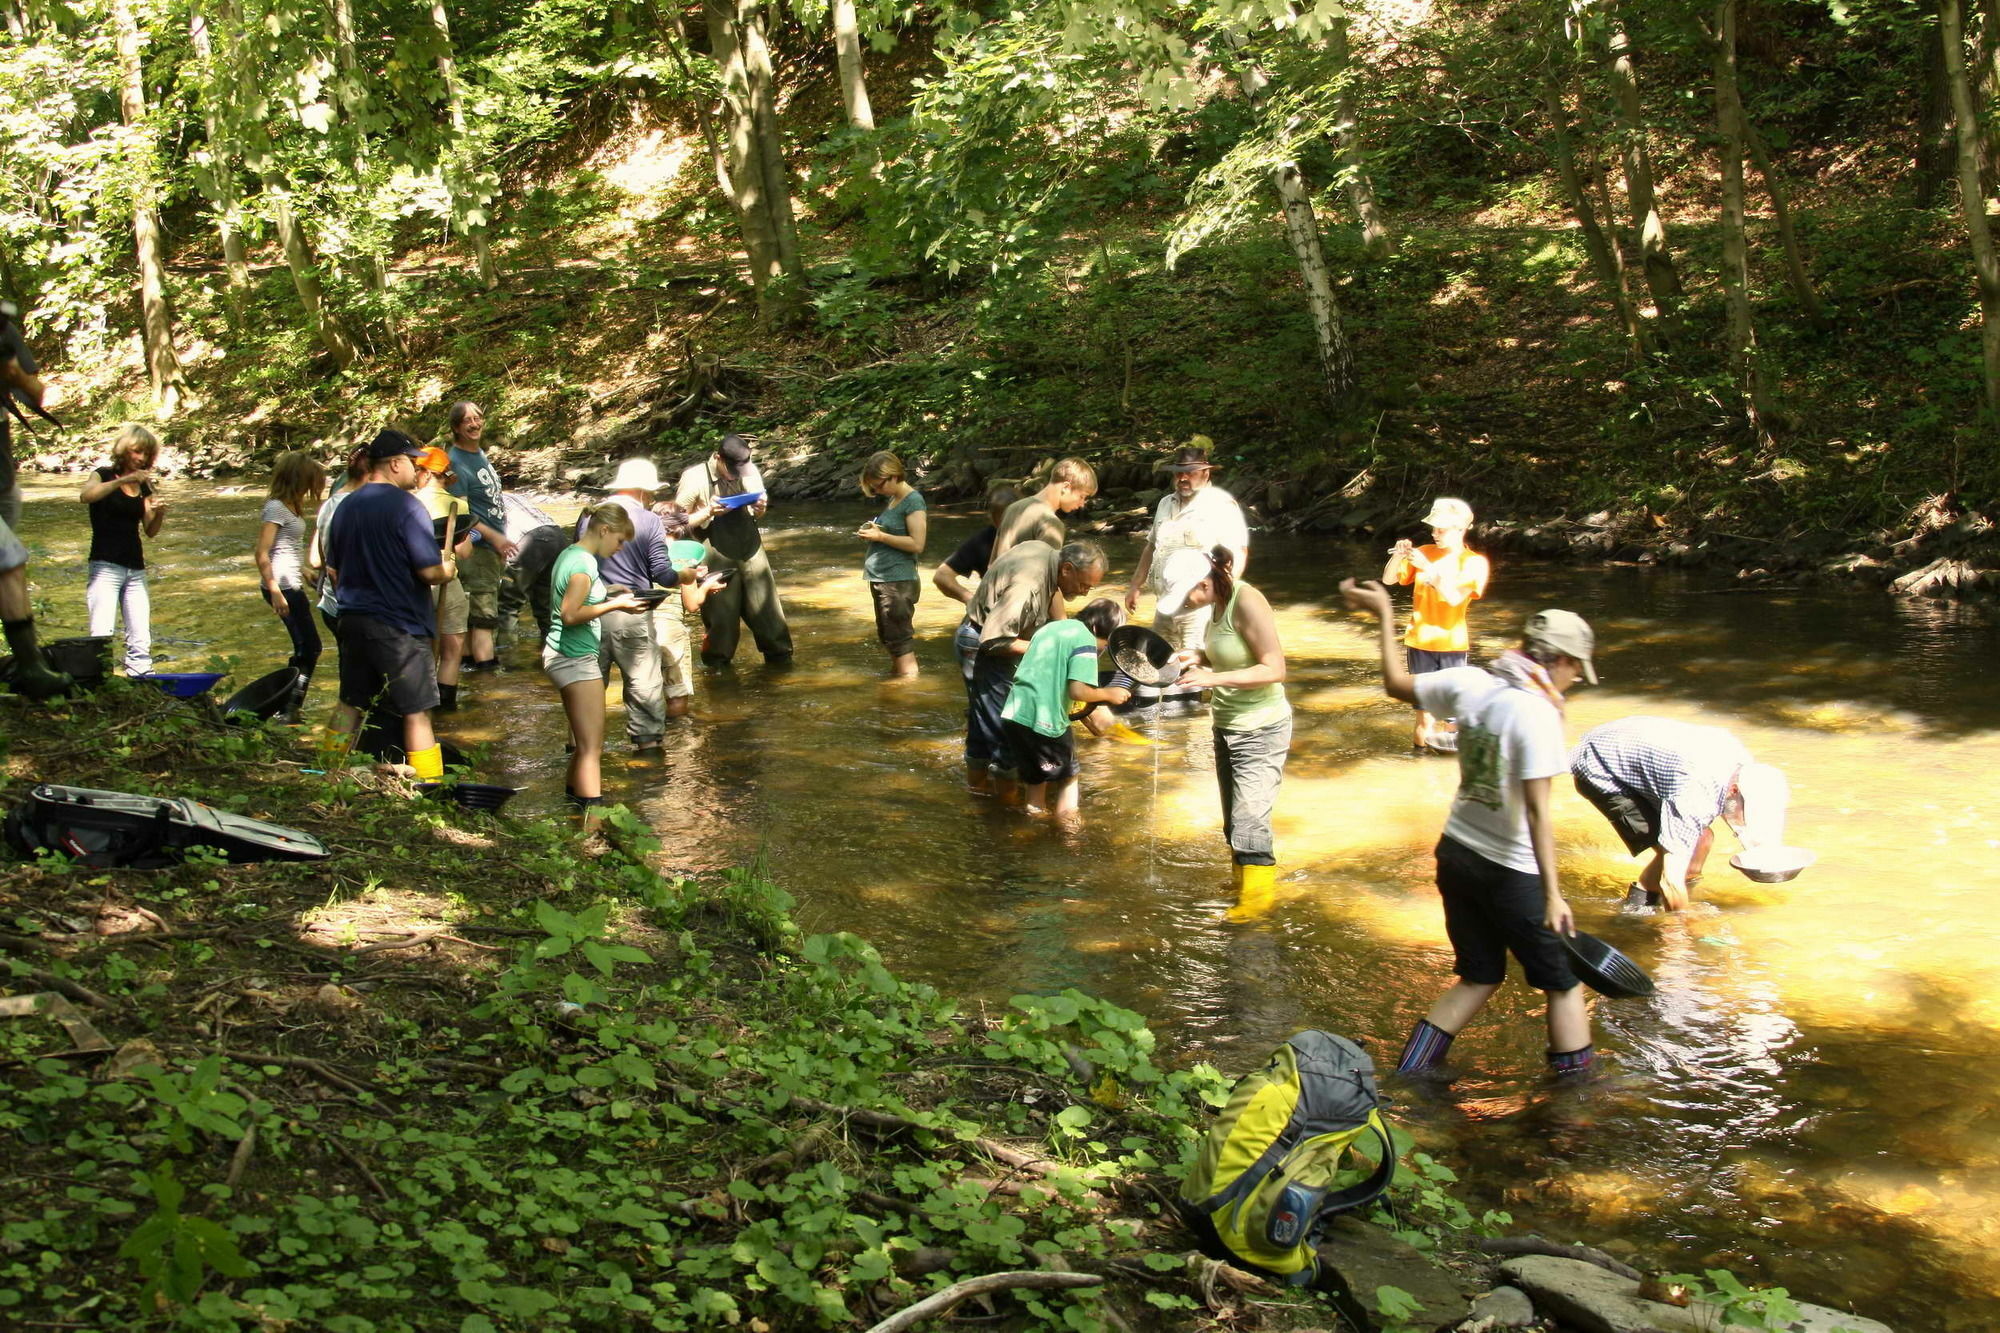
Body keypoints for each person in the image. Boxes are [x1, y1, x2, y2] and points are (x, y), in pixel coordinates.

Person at [1341, 577, 1600, 1079]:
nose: (1574, 682)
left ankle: (1410, 1077)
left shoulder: (1471, 682)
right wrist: (1553, 896)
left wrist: (1385, 617)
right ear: (1561, 662)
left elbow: (1397, 686)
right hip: (1511, 870)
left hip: (1456, 853)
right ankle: (1576, 1108)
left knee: (1479, 976)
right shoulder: (1538, 715)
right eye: (1576, 671)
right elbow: (1538, 813)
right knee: (1564, 983)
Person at [1153, 547, 1291, 921]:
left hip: (1261, 727)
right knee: (1234, 822)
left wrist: (1213, 678)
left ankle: (1256, 911)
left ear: (1203, 583)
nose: (1184, 605)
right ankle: (1243, 889)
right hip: (1227, 724)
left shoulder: (1246, 600)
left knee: (1250, 823)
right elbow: (1234, 652)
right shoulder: (1214, 605)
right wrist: (1199, 657)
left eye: (1186, 596)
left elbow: (1274, 668)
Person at [320, 429, 459, 782]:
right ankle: (430, 788)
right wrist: (448, 569)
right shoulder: (407, 506)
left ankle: (327, 772)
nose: (416, 470)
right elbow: (428, 571)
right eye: (413, 462)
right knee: (417, 711)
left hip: (351, 619)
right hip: (399, 626)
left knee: (350, 701)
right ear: (395, 464)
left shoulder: (345, 504)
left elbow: (332, 568)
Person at [1570, 717, 1793, 912]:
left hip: (1633, 742)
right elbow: (1671, 881)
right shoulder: (1695, 795)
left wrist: (1761, 851)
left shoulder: (1744, 768)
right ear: (1735, 790)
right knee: (1676, 855)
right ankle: (1636, 913)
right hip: (1599, 765)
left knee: (1700, 839)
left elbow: (1735, 810)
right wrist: (1684, 933)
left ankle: (1676, 900)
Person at [961, 538, 1108, 796]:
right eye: (1084, 585)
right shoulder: (1028, 584)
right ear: (1067, 569)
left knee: (982, 726)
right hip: (983, 646)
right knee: (1004, 732)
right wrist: (1052, 649)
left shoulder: (1046, 554)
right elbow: (993, 641)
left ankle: (978, 794)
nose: (1085, 593)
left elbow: (1052, 600)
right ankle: (1007, 810)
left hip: (982, 634)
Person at [545, 503, 646, 818]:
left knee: (581, 745)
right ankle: (593, 828)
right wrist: (616, 606)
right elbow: (571, 613)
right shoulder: (584, 565)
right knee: (591, 749)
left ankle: (573, 812)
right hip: (574, 659)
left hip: (561, 655)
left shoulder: (570, 554)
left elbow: (579, 595)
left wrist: (611, 592)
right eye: (619, 541)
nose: (619, 549)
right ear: (604, 530)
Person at [1000, 597, 1132, 817]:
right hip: (1045, 721)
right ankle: (1070, 836)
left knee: (1036, 779)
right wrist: (1109, 693)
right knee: (1068, 777)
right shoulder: (1086, 641)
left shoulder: (1051, 628)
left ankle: (1033, 828)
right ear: (1098, 628)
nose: (1104, 649)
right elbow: (1078, 691)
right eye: (1107, 643)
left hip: (1016, 713)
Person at [581, 458, 678, 750]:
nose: (652, 499)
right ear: (641, 492)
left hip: (591, 611)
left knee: (587, 687)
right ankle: (648, 759)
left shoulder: (590, 517)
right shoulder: (649, 521)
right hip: (632, 612)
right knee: (643, 687)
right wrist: (684, 575)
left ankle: (579, 751)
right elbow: (663, 574)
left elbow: (579, 562)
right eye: (651, 494)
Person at [675, 433, 793, 667]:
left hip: (750, 548)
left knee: (768, 612)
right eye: (731, 469)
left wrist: (760, 508)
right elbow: (676, 524)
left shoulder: (747, 468)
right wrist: (707, 512)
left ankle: (781, 663)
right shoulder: (695, 478)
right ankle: (718, 675)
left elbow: (759, 509)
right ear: (718, 458)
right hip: (713, 551)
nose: (737, 474)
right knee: (722, 620)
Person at [1382, 497, 1490, 754]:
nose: (1435, 533)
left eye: (1441, 529)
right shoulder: (1425, 552)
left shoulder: (1474, 562)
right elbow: (1388, 580)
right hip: (1419, 642)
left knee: (1453, 717)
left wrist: (1428, 568)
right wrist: (1398, 556)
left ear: (1460, 529)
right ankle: (1420, 762)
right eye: (1433, 528)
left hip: (1452, 645)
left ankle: (1451, 764)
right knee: (1424, 715)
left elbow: (1454, 598)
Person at [1124, 439, 1250, 655]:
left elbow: (1238, 552)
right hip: (1165, 601)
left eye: (1190, 473)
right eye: (1178, 473)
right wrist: (1135, 586)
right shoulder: (1165, 503)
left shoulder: (1220, 504)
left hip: (1200, 606)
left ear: (1206, 474)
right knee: (1160, 661)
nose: (1182, 478)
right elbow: (1151, 547)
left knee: (1195, 665)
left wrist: (1223, 596)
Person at [0, 309, 69, 700]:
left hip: (3, 470)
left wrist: (14, 375)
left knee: (6, 566)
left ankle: (28, 668)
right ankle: (31, 669)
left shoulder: (3, 330)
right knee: (9, 561)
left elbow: (36, 392)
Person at [78, 425, 168, 677]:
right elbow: (86, 496)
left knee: (140, 633)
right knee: (102, 632)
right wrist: (124, 480)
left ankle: (141, 678)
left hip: (135, 567)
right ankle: (100, 680)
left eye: (146, 455)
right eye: (137, 451)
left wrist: (159, 512)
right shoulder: (103, 475)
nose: (141, 459)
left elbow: (150, 530)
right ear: (124, 450)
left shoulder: (145, 487)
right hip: (105, 565)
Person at [442, 401, 515, 672]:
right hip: (478, 549)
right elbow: (463, 514)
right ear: (456, 428)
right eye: (467, 421)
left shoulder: (478, 454)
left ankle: (472, 681)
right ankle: (488, 685)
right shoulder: (457, 462)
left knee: (476, 619)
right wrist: (494, 537)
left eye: (478, 418)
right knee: (483, 617)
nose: (474, 424)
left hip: (490, 548)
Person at [253, 450, 328, 697]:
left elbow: (284, 548)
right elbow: (262, 553)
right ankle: (289, 706)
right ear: (298, 478)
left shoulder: (290, 506)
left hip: (289, 581)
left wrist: (303, 570)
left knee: (306, 646)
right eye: (310, 480)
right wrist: (274, 590)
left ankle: (288, 704)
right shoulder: (276, 508)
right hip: (281, 587)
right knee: (309, 647)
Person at [937, 485, 1019, 684]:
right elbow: (942, 576)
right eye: (1002, 520)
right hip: (991, 628)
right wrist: (969, 599)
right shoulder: (982, 541)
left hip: (1012, 629)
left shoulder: (1035, 537)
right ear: (992, 517)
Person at [857, 451, 928, 678]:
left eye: (878, 486)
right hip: (885, 579)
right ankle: (896, 680)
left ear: (894, 476)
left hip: (897, 581)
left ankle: (907, 693)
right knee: (891, 638)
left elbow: (917, 544)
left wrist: (880, 538)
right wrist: (874, 532)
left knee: (900, 640)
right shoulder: (894, 499)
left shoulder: (913, 501)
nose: (876, 491)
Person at [414, 447, 475, 710]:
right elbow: (464, 552)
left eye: (417, 470)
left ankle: (421, 705)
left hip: (417, 582)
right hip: (450, 582)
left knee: (423, 650)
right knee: (452, 650)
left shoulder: (410, 502)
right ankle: (446, 709)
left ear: (426, 473)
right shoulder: (457, 504)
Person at [495, 492, 567, 650]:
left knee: (508, 604)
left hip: (528, 539)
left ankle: (506, 654)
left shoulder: (482, 499)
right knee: (547, 603)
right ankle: (554, 651)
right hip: (556, 535)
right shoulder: (510, 495)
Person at [309, 446, 368, 633]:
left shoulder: (328, 505)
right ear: (371, 474)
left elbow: (316, 560)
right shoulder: (362, 508)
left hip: (331, 605)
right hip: (358, 607)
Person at [990, 458, 1096, 560]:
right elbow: (1046, 574)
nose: (1082, 504)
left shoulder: (1013, 508)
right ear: (1066, 487)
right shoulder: (1051, 523)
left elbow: (993, 564)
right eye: (1082, 496)